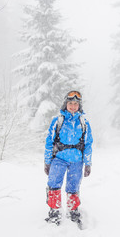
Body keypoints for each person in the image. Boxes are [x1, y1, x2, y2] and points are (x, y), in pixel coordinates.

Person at [44, 90, 93, 228]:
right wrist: (47, 162)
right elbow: (49, 142)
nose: (73, 106)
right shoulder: (57, 121)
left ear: (79, 106)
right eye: (70, 103)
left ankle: (73, 212)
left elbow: (88, 144)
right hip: (59, 159)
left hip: (76, 161)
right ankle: (54, 212)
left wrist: (88, 163)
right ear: (66, 104)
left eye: (76, 104)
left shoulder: (84, 123)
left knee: (73, 186)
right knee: (54, 184)